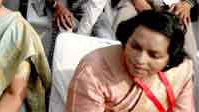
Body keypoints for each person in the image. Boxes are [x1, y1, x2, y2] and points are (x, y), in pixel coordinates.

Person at [66, 10, 194, 111]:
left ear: (170, 59)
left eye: (153, 55)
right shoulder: (93, 72)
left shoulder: (182, 71)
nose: (140, 60)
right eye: (135, 47)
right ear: (126, 39)